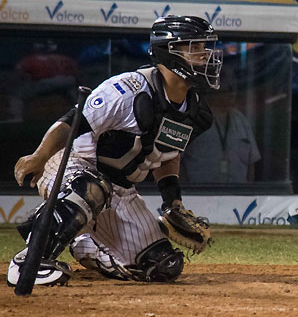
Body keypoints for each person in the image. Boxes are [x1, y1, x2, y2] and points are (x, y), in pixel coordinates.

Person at [8, 15, 221, 287]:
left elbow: (167, 156)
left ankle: (82, 242)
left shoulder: (197, 112)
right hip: (71, 163)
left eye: (206, 47)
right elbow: (74, 120)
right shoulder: (128, 89)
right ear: (170, 52)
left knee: (161, 265)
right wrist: (39, 156)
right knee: (92, 187)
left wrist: (173, 202)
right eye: (195, 47)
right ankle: (30, 261)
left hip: (120, 190)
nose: (205, 55)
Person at [181, 64, 261, 184]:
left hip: (237, 197)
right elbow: (175, 163)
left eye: (234, 89)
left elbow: (251, 164)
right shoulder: (192, 119)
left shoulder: (241, 121)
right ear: (212, 89)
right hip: (199, 196)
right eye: (227, 89)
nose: (232, 94)